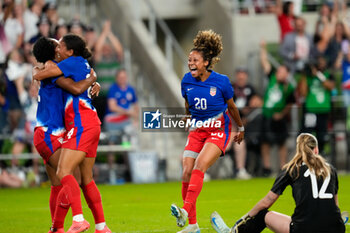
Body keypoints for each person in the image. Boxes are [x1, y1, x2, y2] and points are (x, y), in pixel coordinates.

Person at [33, 34, 111, 233]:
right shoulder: (54, 70)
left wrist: (92, 82)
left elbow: (41, 73)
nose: (59, 47)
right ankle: (78, 222)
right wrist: (92, 79)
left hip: (57, 131)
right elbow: (75, 88)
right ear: (55, 52)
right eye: (57, 45)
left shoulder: (61, 67)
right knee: (72, 178)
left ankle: (60, 227)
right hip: (53, 132)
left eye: (62, 44)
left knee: (61, 183)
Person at [170, 30, 244, 233]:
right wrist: (186, 117)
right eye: (189, 60)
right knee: (186, 170)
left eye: (195, 60)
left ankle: (184, 210)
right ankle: (192, 226)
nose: (190, 63)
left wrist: (241, 127)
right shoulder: (186, 80)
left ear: (205, 63)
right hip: (197, 130)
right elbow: (187, 103)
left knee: (200, 165)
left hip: (218, 130)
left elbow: (232, 107)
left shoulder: (221, 82)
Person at [210, 133, 346, 233]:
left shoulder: (292, 168)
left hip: (304, 228)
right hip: (336, 227)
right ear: (316, 150)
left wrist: (244, 218)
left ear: (298, 150)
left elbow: (267, 202)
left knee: (262, 214)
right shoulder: (331, 169)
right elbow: (334, 205)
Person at [260, 40, 295, 177]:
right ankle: (267, 167)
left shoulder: (288, 87)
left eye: (282, 71)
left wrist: (282, 114)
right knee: (265, 142)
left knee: (282, 142)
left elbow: (290, 103)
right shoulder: (272, 78)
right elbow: (265, 63)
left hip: (278, 117)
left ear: (286, 74)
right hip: (267, 114)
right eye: (279, 70)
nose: (279, 73)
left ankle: (282, 167)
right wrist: (263, 48)